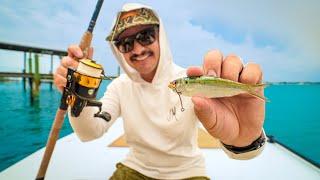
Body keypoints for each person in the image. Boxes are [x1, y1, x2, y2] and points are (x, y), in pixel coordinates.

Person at [54, 3, 266, 180]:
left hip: (188, 172)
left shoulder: (190, 80)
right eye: (125, 44)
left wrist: (243, 141)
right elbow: (89, 131)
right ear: (118, 51)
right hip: (134, 169)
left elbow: (241, 148)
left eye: (145, 36)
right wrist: (81, 91)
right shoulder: (119, 86)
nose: (137, 50)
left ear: (160, 35)